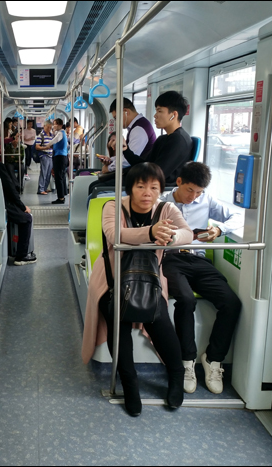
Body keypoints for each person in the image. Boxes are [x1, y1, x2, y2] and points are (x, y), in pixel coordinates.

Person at [82, 163, 192, 416]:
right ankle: (130, 384)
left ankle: (176, 375)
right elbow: (114, 235)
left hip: (150, 280)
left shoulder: (166, 209)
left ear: (161, 190)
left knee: (161, 322)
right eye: (140, 186)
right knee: (116, 326)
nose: (147, 193)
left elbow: (187, 233)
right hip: (113, 279)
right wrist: (151, 232)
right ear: (130, 188)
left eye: (154, 187)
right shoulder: (114, 206)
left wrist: (171, 237)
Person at [160, 162, 243, 394]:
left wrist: (218, 230)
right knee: (186, 300)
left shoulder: (206, 202)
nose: (193, 197)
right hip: (171, 259)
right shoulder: (163, 204)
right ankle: (187, 361)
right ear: (179, 183)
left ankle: (212, 359)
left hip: (198, 259)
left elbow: (238, 216)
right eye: (190, 190)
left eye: (199, 192)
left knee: (231, 303)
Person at [41, 118, 68, 204]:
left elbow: (55, 140)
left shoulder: (60, 133)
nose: (54, 126)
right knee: (61, 176)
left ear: (60, 125)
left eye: (55, 124)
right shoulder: (62, 133)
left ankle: (61, 198)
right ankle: (63, 194)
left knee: (58, 177)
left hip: (60, 157)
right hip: (63, 156)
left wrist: (48, 145)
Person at [35, 121, 55, 195]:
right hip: (44, 155)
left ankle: (45, 188)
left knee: (48, 173)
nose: (49, 129)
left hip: (50, 155)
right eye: (48, 127)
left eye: (50, 127)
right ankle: (40, 189)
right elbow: (37, 147)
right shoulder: (41, 135)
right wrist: (45, 147)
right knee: (44, 172)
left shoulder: (51, 135)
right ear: (44, 126)